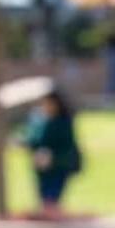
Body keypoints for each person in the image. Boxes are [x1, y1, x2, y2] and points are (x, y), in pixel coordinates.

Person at [22, 89, 82, 219]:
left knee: (52, 199)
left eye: (50, 104)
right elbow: (34, 140)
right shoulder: (39, 120)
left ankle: (53, 225)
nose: (47, 107)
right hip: (42, 169)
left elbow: (67, 147)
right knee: (44, 199)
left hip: (59, 167)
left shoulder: (63, 122)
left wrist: (51, 156)